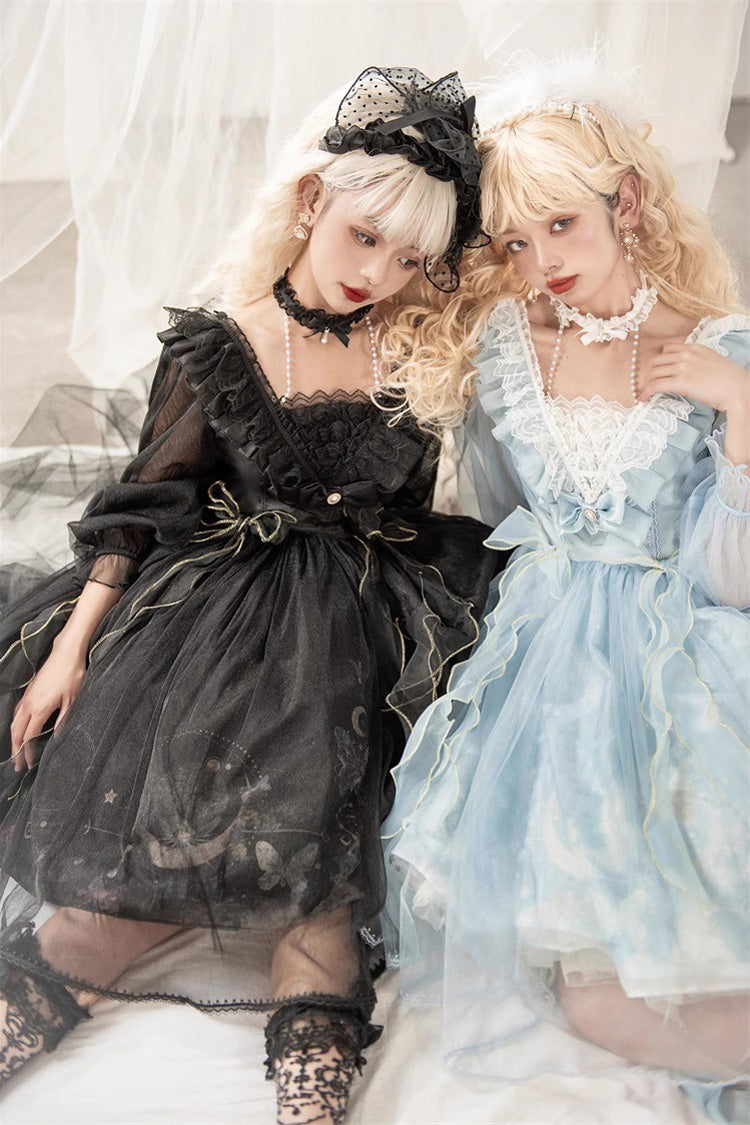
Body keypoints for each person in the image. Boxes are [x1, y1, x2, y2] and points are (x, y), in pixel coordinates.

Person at [0, 66, 498, 1124]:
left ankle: (309, 1086)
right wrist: (71, 650)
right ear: (312, 200)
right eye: (365, 238)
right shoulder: (220, 345)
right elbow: (139, 508)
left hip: (363, 618)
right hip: (219, 618)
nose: (379, 274)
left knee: (321, 907)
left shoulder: (415, 346)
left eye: (410, 259)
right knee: (102, 915)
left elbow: (410, 507)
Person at [381, 59, 749, 1124]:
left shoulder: (716, 351)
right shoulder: (505, 353)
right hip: (547, 669)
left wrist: (742, 415)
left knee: (687, 932)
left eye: (562, 226)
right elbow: (500, 519)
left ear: (624, 201)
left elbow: (730, 579)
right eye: (513, 243)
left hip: (684, 653)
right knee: (589, 992)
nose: (543, 265)